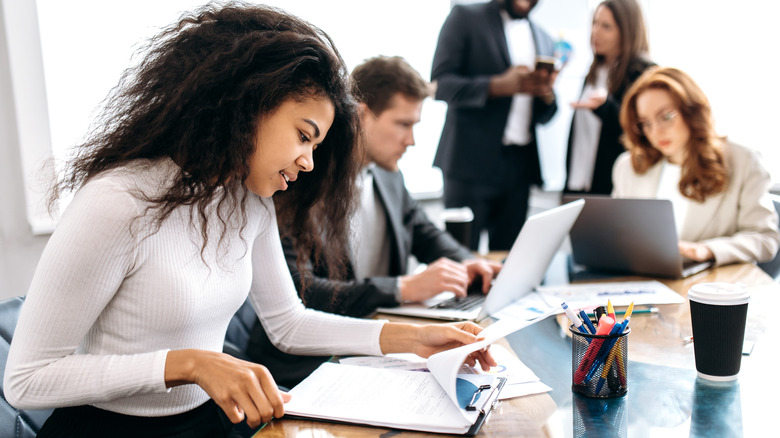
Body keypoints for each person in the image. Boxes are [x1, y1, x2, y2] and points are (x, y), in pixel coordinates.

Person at [3, 4, 495, 438]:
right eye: (304, 136)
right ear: (247, 105)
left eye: (316, 147)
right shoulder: (117, 201)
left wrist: (413, 340)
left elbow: (287, 324)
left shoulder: (248, 199)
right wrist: (188, 364)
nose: (307, 162)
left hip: (212, 419)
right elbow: (26, 379)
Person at [245, 55, 503, 388]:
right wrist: (402, 288)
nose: (411, 141)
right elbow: (302, 292)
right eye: (403, 124)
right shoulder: (295, 178)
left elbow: (424, 231)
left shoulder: (389, 176)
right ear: (362, 116)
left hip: (371, 346)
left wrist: (470, 263)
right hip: (301, 370)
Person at [613, 66, 780, 266]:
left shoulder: (744, 161)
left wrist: (708, 250)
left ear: (691, 111)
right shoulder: (628, 166)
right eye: (645, 123)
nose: (656, 131)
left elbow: (765, 238)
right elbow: (619, 235)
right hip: (646, 281)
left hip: (713, 285)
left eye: (666, 117)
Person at [431, 0, 558, 251]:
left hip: (520, 167)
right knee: (462, 256)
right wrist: (497, 86)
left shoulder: (544, 38)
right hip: (469, 163)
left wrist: (547, 94)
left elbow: (545, 115)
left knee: (510, 260)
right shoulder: (465, 17)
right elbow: (440, 85)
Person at [564, 0, 654, 195]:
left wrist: (606, 106)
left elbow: (642, 130)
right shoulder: (595, 72)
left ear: (627, 30)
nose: (595, 32)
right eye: (595, 23)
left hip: (614, 187)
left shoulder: (643, 73)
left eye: (606, 26)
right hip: (579, 183)